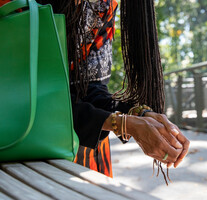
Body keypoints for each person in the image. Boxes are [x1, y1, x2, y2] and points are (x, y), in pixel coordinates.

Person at [1, 0, 189, 179]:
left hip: (73, 145)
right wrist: (121, 123)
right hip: (13, 139)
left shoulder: (102, 6)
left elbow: (90, 88)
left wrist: (137, 115)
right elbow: (18, 92)